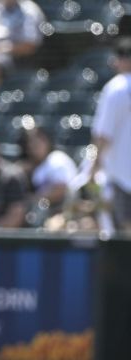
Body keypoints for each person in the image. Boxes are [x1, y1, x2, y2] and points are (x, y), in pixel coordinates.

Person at [91, 37, 131, 232]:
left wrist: (93, 167)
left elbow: (104, 135)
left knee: (122, 237)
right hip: (122, 175)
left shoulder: (116, 87)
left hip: (121, 176)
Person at [18, 127, 78, 225]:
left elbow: (61, 190)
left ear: (47, 141)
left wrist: (32, 199)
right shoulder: (37, 166)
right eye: (31, 144)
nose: (34, 147)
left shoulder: (56, 159)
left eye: (38, 142)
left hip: (66, 210)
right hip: (48, 211)